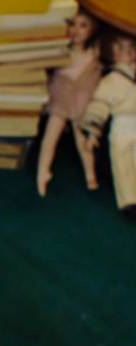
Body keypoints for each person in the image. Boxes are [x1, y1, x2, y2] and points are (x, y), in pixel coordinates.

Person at [37, 9, 104, 196]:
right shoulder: (63, 51)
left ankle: (90, 174)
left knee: (81, 139)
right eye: (72, 24)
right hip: (61, 100)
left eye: (83, 26)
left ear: (92, 30)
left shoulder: (94, 52)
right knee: (50, 137)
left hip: (81, 102)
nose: (76, 30)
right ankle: (43, 173)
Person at [81, 30, 136, 218]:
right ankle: (129, 202)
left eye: (132, 47)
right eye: (121, 48)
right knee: (122, 164)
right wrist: (92, 132)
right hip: (122, 127)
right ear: (113, 54)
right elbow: (99, 105)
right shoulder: (111, 81)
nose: (129, 52)